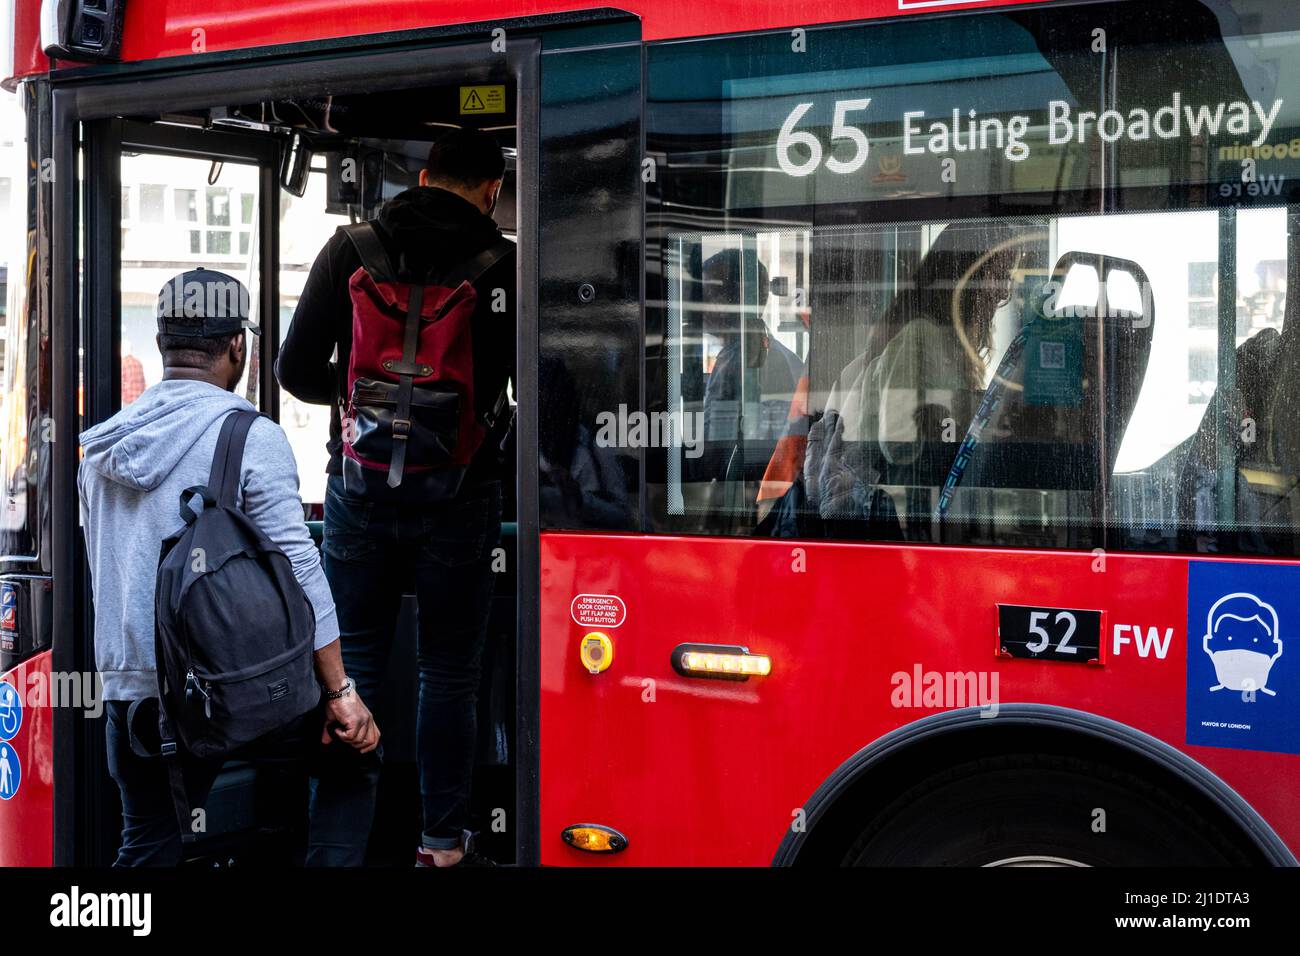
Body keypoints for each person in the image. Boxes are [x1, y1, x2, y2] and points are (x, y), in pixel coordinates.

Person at [78, 268, 379, 866]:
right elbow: (300, 569)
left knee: (148, 846)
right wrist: (341, 691)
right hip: (233, 693)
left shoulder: (101, 447)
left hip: (131, 694)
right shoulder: (249, 436)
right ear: (238, 346)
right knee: (331, 779)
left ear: (164, 342)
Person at [277, 128, 515, 867]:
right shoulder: (504, 260)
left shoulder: (349, 246)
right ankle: (440, 845)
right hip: (463, 495)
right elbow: (526, 385)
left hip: (358, 492)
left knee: (356, 670)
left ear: (420, 176)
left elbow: (292, 369)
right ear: (492, 190)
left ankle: (339, 848)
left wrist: (360, 410)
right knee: (449, 674)